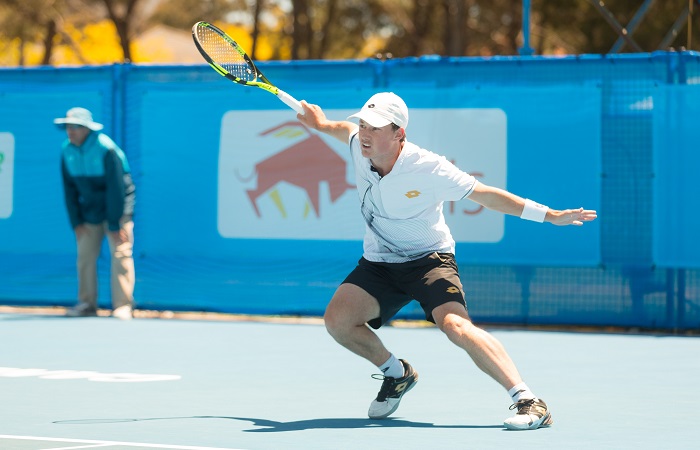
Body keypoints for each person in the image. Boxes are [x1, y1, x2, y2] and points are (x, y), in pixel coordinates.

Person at [296, 92, 597, 430]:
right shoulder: (358, 145)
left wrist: (550, 215)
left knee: (455, 325)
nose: (365, 133)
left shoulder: (428, 168)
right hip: (380, 261)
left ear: (399, 134)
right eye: (363, 124)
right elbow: (343, 131)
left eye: (376, 128)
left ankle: (529, 400)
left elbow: (485, 195)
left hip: (429, 260)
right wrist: (321, 124)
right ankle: (397, 374)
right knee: (337, 320)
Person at [54, 107, 136, 320]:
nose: (70, 131)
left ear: (87, 129)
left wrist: (115, 223)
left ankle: (123, 306)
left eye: (76, 127)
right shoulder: (66, 150)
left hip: (118, 211)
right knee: (85, 256)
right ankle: (87, 303)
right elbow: (69, 189)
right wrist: (76, 221)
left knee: (120, 253)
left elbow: (117, 189)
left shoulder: (106, 149)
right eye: (68, 127)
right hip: (89, 213)